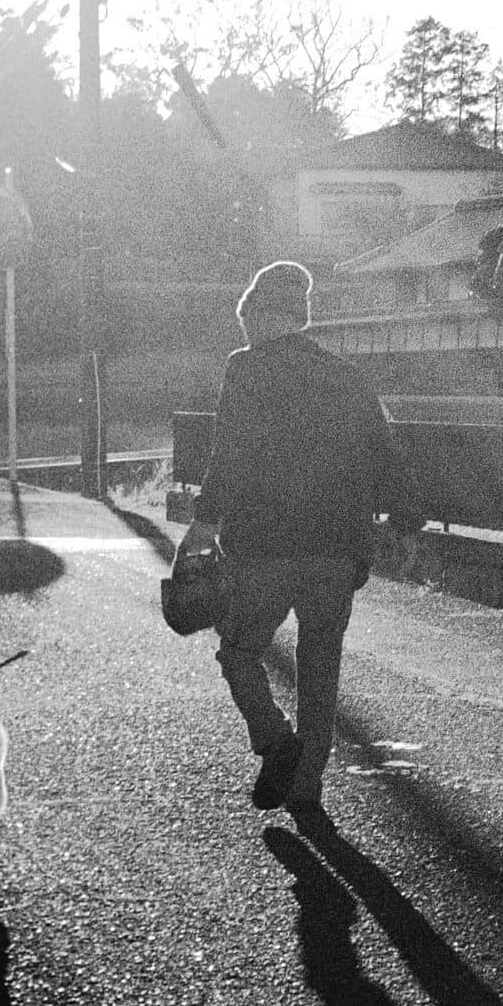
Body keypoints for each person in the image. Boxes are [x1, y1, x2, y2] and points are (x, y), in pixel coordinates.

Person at [175, 260, 424, 815]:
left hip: (263, 545)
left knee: (239, 651)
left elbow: (228, 451)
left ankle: (273, 739)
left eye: (246, 321)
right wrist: (406, 523)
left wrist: (205, 521)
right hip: (337, 548)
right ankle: (306, 786)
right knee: (320, 667)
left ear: (261, 315)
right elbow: (385, 452)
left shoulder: (246, 369)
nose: (244, 333)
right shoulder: (347, 375)